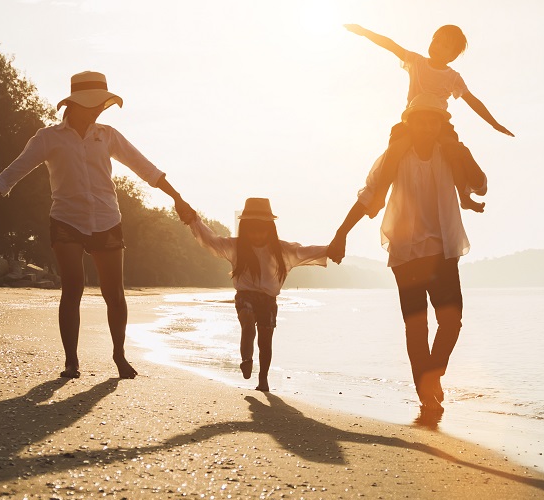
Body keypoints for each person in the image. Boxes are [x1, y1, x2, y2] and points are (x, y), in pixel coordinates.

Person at [0, 70, 196, 380]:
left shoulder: (107, 135)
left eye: (102, 104)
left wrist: (177, 198)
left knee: (115, 294)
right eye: (94, 104)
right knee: (73, 288)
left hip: (107, 219)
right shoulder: (48, 138)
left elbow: (144, 167)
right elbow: (12, 173)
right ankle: (72, 362)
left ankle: (119, 356)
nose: (100, 109)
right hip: (67, 220)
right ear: (76, 104)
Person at [328, 93, 479, 420]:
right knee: (416, 327)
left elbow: (479, 185)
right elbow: (368, 195)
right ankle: (426, 396)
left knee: (452, 321)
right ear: (411, 124)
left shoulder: (448, 154)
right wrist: (341, 234)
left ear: (440, 125)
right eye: (421, 121)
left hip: (443, 252)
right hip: (406, 254)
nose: (427, 126)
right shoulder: (396, 157)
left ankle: (432, 375)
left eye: (433, 121)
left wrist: (462, 152)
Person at [344, 23, 512, 214]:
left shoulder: (453, 77)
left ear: (453, 56)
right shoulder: (416, 61)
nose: (438, 46)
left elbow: (472, 100)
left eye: (445, 45)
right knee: (395, 150)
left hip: (439, 124)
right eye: (436, 41)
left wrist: (495, 124)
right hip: (411, 121)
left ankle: (464, 197)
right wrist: (364, 32)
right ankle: (380, 196)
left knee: (453, 150)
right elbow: (390, 45)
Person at [183, 197, 329, 392]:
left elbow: (305, 251)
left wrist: (333, 247)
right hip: (245, 296)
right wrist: (194, 220)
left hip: (268, 301)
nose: (257, 234)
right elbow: (211, 240)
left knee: (265, 342)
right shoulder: (236, 246)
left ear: (270, 229)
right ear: (244, 227)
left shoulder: (281, 249)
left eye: (262, 229)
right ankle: (246, 359)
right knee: (247, 325)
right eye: (252, 229)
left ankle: (263, 380)